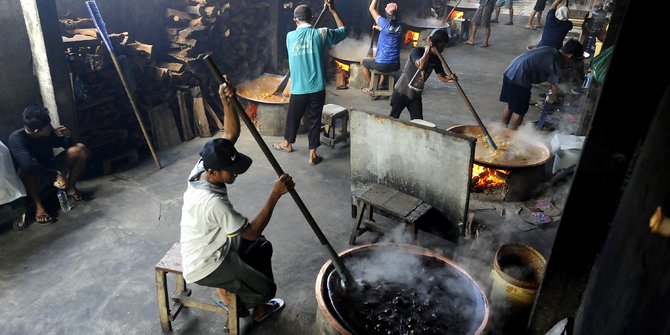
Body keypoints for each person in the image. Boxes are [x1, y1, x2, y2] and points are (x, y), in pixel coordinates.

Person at [180, 79, 295, 325]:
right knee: (266, 290)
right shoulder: (212, 202)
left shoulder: (203, 165)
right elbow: (251, 232)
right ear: (212, 172)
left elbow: (230, 134)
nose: (235, 173)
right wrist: (275, 194)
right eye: (230, 170)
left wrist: (226, 100)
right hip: (207, 263)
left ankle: (237, 292)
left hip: (214, 242)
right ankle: (238, 299)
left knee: (262, 248)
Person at [272, 0, 347, 165]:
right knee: (314, 120)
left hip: (298, 88)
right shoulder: (321, 34)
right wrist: (333, 11)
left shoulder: (290, 37)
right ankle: (312, 155)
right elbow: (343, 31)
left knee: (293, 117)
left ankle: (287, 143)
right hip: (317, 88)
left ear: (295, 20)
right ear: (311, 18)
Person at [7, 106, 89, 224]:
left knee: (80, 149)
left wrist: (67, 137)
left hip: (51, 166)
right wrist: (56, 174)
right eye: (47, 126)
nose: (51, 127)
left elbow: (65, 145)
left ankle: (71, 188)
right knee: (30, 166)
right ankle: (39, 207)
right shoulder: (16, 139)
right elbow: (28, 166)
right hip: (35, 176)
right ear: (36, 131)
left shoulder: (47, 130)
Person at [500, 39, 583, 130]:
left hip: (510, 71)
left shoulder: (550, 50)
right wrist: (555, 98)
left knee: (511, 105)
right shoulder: (556, 60)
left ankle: (501, 130)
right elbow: (555, 84)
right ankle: (511, 137)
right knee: (519, 111)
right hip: (520, 79)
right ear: (571, 56)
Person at [389, 29, 457, 120]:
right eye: (441, 46)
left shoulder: (436, 59)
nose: (442, 50)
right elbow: (421, 66)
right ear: (433, 43)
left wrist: (450, 79)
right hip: (402, 91)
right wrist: (428, 49)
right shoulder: (417, 51)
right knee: (392, 119)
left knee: (418, 122)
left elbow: (442, 77)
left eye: (444, 46)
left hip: (415, 95)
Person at [361, 1, 402, 91]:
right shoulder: (400, 26)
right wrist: (378, 28)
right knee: (384, 61)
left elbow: (371, 8)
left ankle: (370, 86)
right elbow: (390, 31)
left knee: (363, 63)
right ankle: (379, 85)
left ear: (387, 14)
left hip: (382, 65)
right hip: (396, 65)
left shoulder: (384, 23)